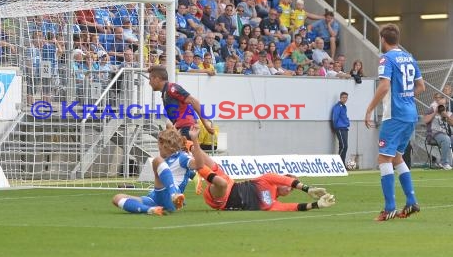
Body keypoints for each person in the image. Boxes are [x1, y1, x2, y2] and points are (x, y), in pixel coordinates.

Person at [364, 24, 425, 221]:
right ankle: (411, 202)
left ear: (383, 39)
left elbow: (384, 86)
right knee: (397, 158)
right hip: (410, 115)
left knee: (383, 159)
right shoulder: (409, 57)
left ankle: (389, 207)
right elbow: (421, 86)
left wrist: (370, 108)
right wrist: (406, 97)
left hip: (395, 115)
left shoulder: (387, 58)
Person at [194, 146, 336, 212]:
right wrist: (307, 188)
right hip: (231, 183)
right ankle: (189, 144)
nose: (288, 188)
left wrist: (316, 205)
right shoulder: (268, 179)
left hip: (222, 200)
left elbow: (292, 207)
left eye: (291, 190)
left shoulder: (272, 204)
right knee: (214, 166)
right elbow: (287, 181)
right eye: (289, 185)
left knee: (221, 183)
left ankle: (196, 169)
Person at [112, 126, 203, 215]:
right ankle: (150, 210)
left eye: (159, 146)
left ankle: (174, 194)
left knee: (157, 160)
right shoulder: (165, 163)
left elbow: (199, 165)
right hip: (155, 197)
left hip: (168, 196)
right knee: (117, 198)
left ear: (165, 145)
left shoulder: (181, 157)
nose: (158, 148)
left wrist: (194, 139)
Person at [148, 65, 215, 139]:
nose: (149, 83)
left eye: (150, 79)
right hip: (182, 128)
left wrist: (206, 125)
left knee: (186, 150)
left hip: (187, 128)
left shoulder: (171, 88)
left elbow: (194, 102)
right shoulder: (166, 92)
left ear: (157, 79)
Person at [424, 93, 453, 170]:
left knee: (448, 138)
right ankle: (444, 163)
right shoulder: (431, 109)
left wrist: (446, 116)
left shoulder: (447, 111)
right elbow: (425, 120)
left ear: (444, 100)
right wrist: (435, 112)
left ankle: (450, 162)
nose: (438, 99)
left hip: (445, 133)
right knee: (446, 139)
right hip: (433, 134)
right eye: (436, 98)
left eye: (440, 98)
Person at [332, 92, 350, 166]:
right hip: (340, 128)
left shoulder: (344, 107)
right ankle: (339, 164)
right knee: (343, 146)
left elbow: (344, 117)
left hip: (345, 128)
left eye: (346, 97)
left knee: (344, 146)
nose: (345, 99)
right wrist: (335, 127)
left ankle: (342, 164)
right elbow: (334, 117)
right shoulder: (338, 106)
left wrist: (347, 122)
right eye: (343, 97)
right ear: (340, 98)